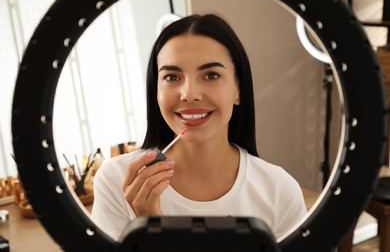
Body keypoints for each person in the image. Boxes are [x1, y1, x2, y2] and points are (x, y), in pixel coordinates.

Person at [91, 13, 307, 241]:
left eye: (211, 75)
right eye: (172, 77)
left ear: (238, 89)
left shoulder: (279, 190)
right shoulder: (117, 181)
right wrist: (148, 226)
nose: (189, 94)